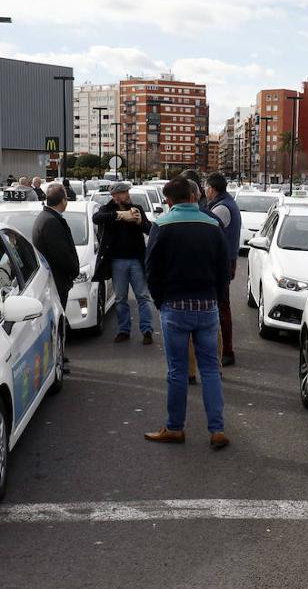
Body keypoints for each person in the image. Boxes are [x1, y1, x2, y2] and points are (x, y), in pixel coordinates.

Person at [143, 179, 229, 450]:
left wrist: (160, 301)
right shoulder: (213, 225)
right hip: (207, 306)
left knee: (177, 371)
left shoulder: (162, 225)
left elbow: (151, 269)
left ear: (169, 200)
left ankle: (175, 427)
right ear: (194, 196)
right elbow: (222, 270)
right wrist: (215, 297)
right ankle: (216, 430)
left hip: (175, 306)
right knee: (210, 370)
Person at [92, 182, 155, 344]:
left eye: (126, 192)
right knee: (120, 298)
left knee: (143, 296)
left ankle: (147, 330)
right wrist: (118, 216)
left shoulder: (136, 208)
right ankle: (124, 330)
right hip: (117, 261)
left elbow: (150, 230)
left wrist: (140, 221)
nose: (126, 195)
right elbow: (96, 218)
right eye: (122, 193)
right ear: (115, 196)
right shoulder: (108, 209)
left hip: (136, 259)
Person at [205, 173, 242, 367]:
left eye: (206, 187)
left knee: (221, 307)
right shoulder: (226, 203)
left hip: (221, 263)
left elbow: (208, 234)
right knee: (221, 305)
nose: (205, 191)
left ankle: (226, 350)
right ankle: (223, 349)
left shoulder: (221, 208)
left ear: (212, 188)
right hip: (227, 261)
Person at [32, 183, 80, 310]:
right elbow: (60, 254)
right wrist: (73, 271)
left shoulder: (46, 217)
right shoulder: (51, 221)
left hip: (53, 280)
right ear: (63, 200)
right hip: (56, 281)